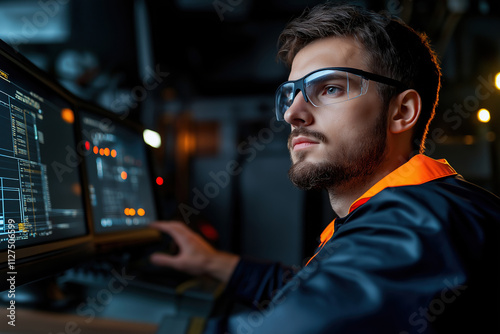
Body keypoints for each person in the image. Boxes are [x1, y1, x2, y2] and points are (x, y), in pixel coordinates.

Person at [150, 3, 500, 333]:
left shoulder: (419, 224)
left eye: (330, 88)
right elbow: (317, 290)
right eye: (290, 94)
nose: (292, 113)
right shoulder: (408, 210)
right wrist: (212, 263)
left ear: (401, 112)